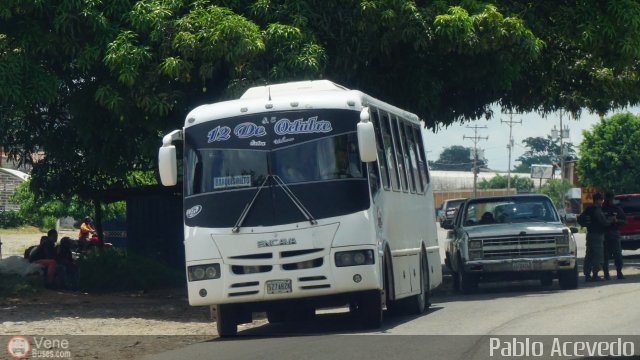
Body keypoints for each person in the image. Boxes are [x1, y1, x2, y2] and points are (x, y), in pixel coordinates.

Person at [579, 192, 613, 282]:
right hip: (597, 235)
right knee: (598, 256)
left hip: (589, 234)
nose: (602, 202)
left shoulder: (588, 209)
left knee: (589, 255)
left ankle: (587, 275)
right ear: (598, 200)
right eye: (601, 200)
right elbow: (604, 222)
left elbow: (580, 219)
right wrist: (611, 220)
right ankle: (595, 275)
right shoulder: (597, 210)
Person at [602, 191, 627, 280]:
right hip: (604, 233)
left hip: (614, 232)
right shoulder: (601, 209)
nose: (609, 200)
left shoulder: (617, 209)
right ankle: (606, 274)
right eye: (608, 198)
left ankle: (619, 272)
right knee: (605, 255)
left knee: (617, 254)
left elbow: (624, 221)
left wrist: (617, 221)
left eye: (610, 198)